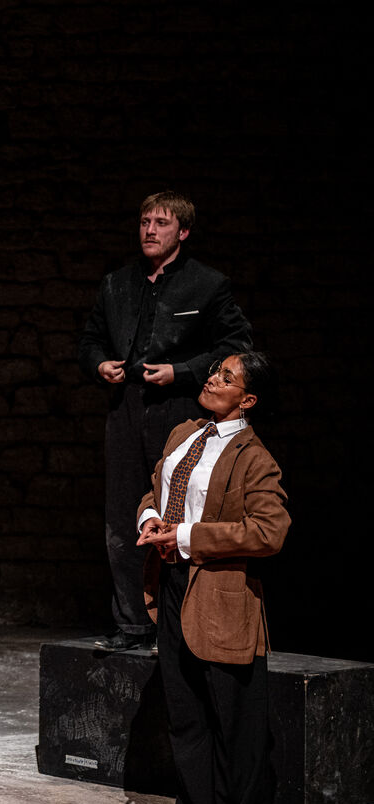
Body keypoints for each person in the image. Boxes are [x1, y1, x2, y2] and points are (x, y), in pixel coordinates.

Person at [134, 351, 289, 804]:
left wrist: (184, 536)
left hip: (223, 600)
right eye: (215, 370)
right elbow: (155, 488)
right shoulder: (184, 433)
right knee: (188, 724)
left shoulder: (254, 457)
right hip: (174, 588)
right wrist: (151, 516)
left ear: (248, 399)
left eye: (227, 377)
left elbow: (269, 531)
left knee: (238, 731)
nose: (212, 378)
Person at [78, 191, 253, 650]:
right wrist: (99, 364)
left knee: (176, 512)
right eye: (145, 222)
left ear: (183, 231)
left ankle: (173, 628)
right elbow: (90, 340)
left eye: (161, 223)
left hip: (178, 411)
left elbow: (237, 346)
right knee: (123, 517)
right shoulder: (117, 284)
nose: (150, 231)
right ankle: (132, 624)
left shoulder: (207, 284)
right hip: (126, 409)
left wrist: (183, 372)